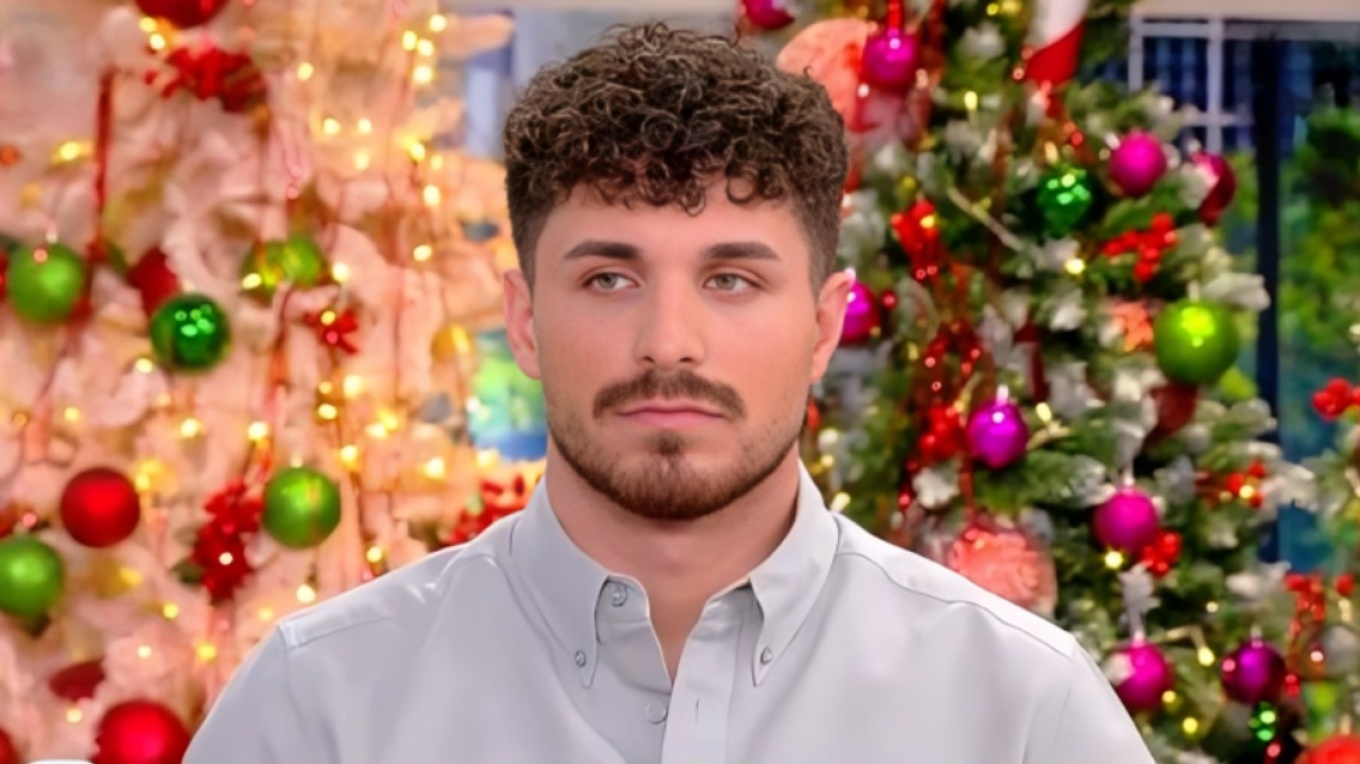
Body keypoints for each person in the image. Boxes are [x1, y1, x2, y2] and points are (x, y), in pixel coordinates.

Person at [186, 22, 1155, 763]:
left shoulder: (1020, 710)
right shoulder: (323, 704)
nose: (668, 342)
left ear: (824, 325)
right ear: (524, 319)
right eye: (610, 277)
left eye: (731, 278)